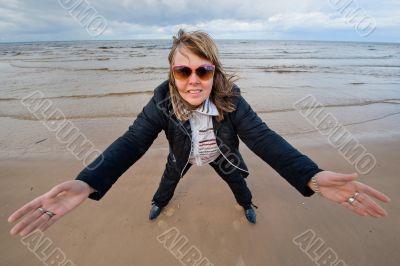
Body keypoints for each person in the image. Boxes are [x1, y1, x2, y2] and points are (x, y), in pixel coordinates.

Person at [8, 29, 390, 237]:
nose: (194, 80)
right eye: (183, 71)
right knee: (166, 186)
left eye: (203, 71)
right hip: (184, 157)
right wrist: (87, 182)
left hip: (223, 156)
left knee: (240, 184)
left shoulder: (232, 101)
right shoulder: (160, 102)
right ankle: (158, 204)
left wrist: (312, 175)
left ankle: (248, 206)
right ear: (172, 74)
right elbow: (132, 141)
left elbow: (262, 138)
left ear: (215, 72)